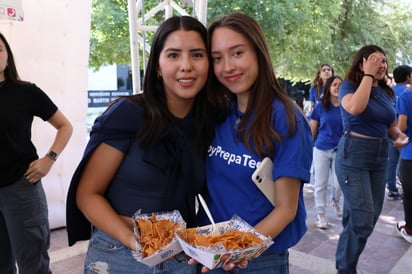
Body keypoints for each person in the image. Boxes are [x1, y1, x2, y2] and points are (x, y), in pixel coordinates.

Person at [66, 16, 222, 273]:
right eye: (173, 55)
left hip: (181, 257)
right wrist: (137, 243)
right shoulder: (128, 113)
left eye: (197, 55)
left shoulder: (211, 122)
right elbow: (87, 195)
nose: (186, 66)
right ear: (158, 67)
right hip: (121, 253)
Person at [197, 12, 313, 273]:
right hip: (211, 252)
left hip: (259, 258)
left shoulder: (285, 117)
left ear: (258, 52)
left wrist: (236, 248)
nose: (227, 66)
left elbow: (286, 209)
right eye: (217, 58)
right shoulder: (218, 113)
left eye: (237, 53)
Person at [0, 33, 73, 273]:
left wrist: (49, 159)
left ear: (8, 58)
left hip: (20, 187)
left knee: (33, 264)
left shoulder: (25, 92)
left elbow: (65, 126)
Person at [334, 45, 408, 273]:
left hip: (379, 156)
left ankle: (346, 264)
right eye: (375, 60)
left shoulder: (387, 92)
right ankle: (345, 268)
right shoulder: (349, 86)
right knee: (362, 219)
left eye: (384, 61)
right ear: (362, 63)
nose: (381, 65)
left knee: (367, 216)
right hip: (354, 155)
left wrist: (398, 135)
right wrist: (368, 75)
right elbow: (355, 108)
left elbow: (390, 125)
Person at [309, 75, 343, 229]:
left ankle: (336, 201)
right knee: (320, 184)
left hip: (340, 150)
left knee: (338, 184)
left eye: (340, 85)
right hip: (321, 149)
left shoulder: (347, 106)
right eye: (334, 84)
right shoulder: (320, 106)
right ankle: (321, 214)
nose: (337, 87)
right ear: (329, 87)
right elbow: (312, 130)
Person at [385, 64, 412, 200]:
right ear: (408, 77)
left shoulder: (388, 91)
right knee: (404, 163)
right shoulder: (407, 92)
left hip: (389, 130)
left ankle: (392, 188)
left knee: (391, 161)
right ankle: (405, 189)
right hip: (404, 133)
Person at [396, 84, 412, 243]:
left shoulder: (406, 97)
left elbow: (402, 126)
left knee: (409, 193)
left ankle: (410, 229)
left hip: (410, 153)